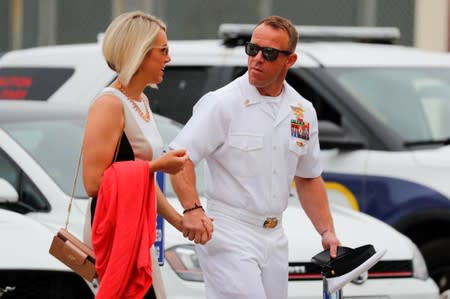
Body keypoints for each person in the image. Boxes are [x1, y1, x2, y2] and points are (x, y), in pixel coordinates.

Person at [169, 15, 340, 299]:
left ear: (290, 60)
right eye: (252, 49)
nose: (257, 58)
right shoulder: (222, 102)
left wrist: (326, 231)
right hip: (228, 230)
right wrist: (193, 209)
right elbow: (179, 160)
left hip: (275, 234)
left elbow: (308, 177)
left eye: (269, 53)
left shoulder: (302, 110)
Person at [81, 11, 212, 299]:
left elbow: (140, 178)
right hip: (115, 231)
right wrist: (157, 165)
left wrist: (180, 221)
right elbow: (93, 183)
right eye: (163, 51)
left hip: (136, 228)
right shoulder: (109, 104)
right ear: (138, 53)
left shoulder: (141, 101)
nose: (169, 58)